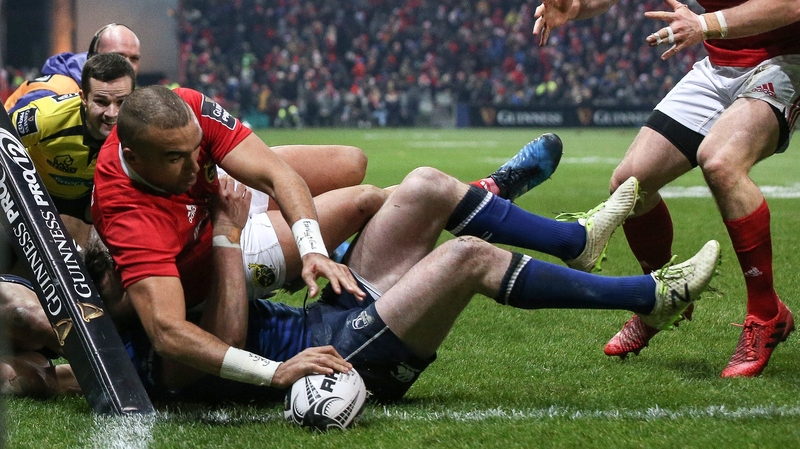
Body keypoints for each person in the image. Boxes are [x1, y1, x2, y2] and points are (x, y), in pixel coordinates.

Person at [94, 158, 719, 402]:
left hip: (324, 314)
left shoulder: (149, 280)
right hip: (343, 359)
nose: (132, 273)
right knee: (466, 256)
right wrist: (228, 236)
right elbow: (220, 339)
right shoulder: (136, 353)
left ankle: (575, 243)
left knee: (421, 185)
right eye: (117, 276)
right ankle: (653, 296)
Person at [533, 0, 800, 377]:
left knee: (721, 163)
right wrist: (576, 8)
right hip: (718, 65)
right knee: (629, 184)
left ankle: (766, 313)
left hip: (784, 61)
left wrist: (707, 23)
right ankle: (662, 298)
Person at [10, 53, 136, 249]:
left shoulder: (141, 129)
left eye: (121, 102)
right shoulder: (44, 117)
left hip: (88, 202)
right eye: (101, 102)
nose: (113, 114)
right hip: (34, 194)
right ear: (83, 98)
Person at [4, 23, 141, 114]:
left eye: (134, 59)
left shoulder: (123, 94)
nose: (127, 66)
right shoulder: (51, 93)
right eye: (118, 57)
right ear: (93, 58)